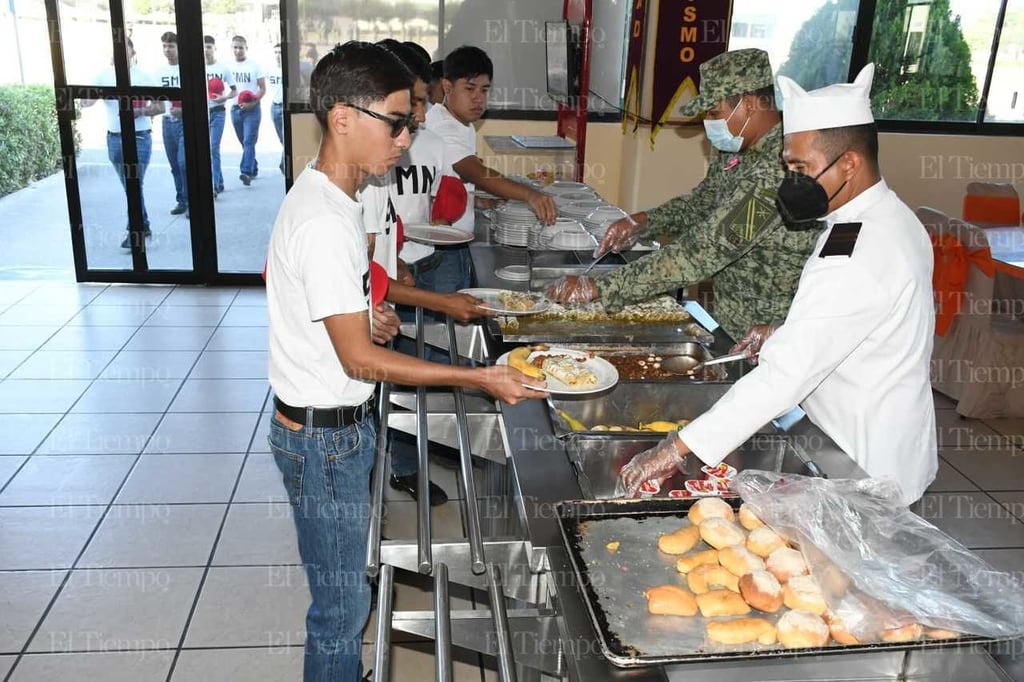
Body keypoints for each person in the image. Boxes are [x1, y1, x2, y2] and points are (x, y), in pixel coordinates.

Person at [265, 41, 546, 681]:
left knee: (346, 591)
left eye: (412, 125)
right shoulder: (323, 222)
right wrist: (477, 377)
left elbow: (338, 319)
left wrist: (371, 312)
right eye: (397, 123)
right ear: (343, 119)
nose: (406, 139)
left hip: (332, 427)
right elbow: (361, 361)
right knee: (340, 611)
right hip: (321, 438)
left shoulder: (331, 200)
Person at [616, 64, 938, 508]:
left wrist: (677, 447)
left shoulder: (862, 247)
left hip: (864, 461)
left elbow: (787, 375)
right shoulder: (877, 218)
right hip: (861, 438)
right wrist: (783, 330)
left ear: (849, 162)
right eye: (788, 166)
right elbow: (851, 322)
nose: (791, 181)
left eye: (801, 167)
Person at [545, 49, 822, 341]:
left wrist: (601, 287)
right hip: (729, 323)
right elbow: (699, 204)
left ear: (749, 104)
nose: (709, 124)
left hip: (770, 336)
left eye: (715, 113)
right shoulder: (736, 150)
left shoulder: (781, 169)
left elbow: (706, 250)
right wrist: (642, 221)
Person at [362, 39, 490, 506]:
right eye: (413, 101)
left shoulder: (427, 144)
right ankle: (401, 464)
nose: (420, 112)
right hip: (388, 281)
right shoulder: (371, 162)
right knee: (396, 375)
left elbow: (428, 203)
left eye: (421, 99)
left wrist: (430, 227)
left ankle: (420, 448)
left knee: (421, 368)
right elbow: (371, 232)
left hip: (416, 266)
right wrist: (392, 268)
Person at [424, 45, 558, 293]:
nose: (478, 98)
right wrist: (530, 194)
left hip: (452, 239)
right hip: (442, 249)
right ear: (447, 87)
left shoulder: (462, 124)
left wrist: (478, 202)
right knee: (445, 318)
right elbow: (473, 172)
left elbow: (445, 180)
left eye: (484, 90)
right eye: (470, 89)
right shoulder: (444, 126)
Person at [81, 38, 160, 250]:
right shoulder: (103, 75)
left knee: (134, 184)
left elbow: (160, 106)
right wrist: (82, 101)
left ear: (133, 51)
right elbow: (89, 99)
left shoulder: (143, 76)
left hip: (140, 137)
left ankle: (135, 233)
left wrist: (141, 111)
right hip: (114, 138)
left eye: (124, 50)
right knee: (129, 185)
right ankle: (143, 225)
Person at [155, 31, 188, 217]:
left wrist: (184, 111)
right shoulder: (159, 72)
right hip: (167, 122)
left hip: (184, 122)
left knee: (184, 163)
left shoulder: (187, 70)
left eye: (171, 46)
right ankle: (181, 200)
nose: (167, 50)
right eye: (165, 46)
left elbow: (201, 98)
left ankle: (191, 200)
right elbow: (157, 101)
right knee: (174, 164)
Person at [229, 34, 266, 185]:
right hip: (235, 109)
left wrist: (253, 103)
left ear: (246, 48)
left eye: (241, 48)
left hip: (252, 109)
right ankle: (253, 166)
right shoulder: (228, 66)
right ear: (232, 48)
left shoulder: (254, 66)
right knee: (244, 143)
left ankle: (245, 172)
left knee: (249, 140)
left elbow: (262, 89)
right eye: (235, 48)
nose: (238, 51)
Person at [204, 35, 237, 196]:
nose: (206, 50)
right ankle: (219, 180)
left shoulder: (223, 69)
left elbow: (234, 90)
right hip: (202, 113)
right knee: (207, 150)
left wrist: (224, 98)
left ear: (214, 49)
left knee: (213, 148)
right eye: (203, 46)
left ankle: (214, 185)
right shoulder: (196, 68)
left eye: (209, 47)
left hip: (218, 112)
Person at [269, 43, 285, 174]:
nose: (278, 55)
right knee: (282, 139)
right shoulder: (270, 70)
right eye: (276, 52)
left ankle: (284, 163)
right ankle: (284, 159)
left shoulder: (289, 71)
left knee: (286, 137)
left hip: (285, 107)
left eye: (280, 52)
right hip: (274, 106)